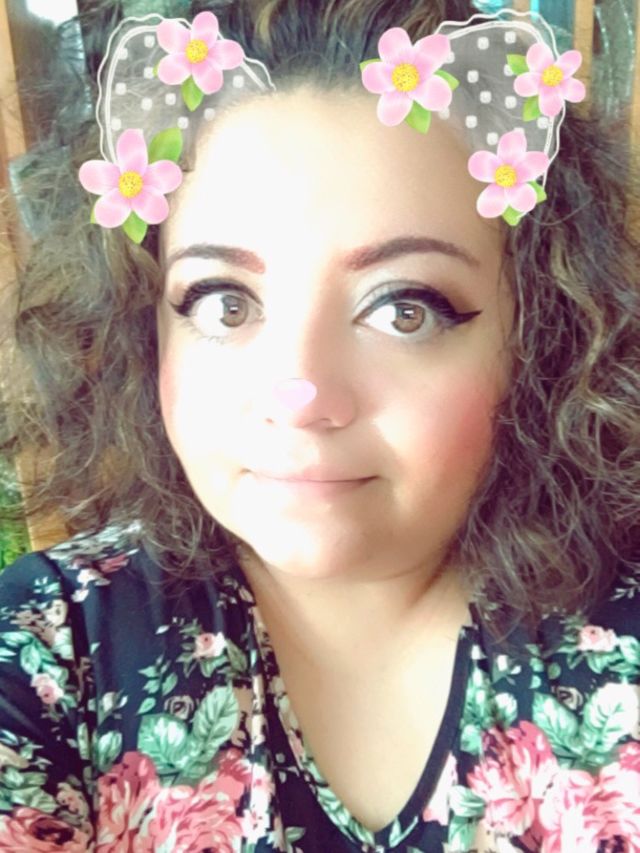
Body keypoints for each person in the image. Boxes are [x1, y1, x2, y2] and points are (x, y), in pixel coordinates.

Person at [0, 0, 638, 850]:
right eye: (223, 303)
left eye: (405, 308)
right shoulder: (47, 651)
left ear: (541, 335)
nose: (299, 393)